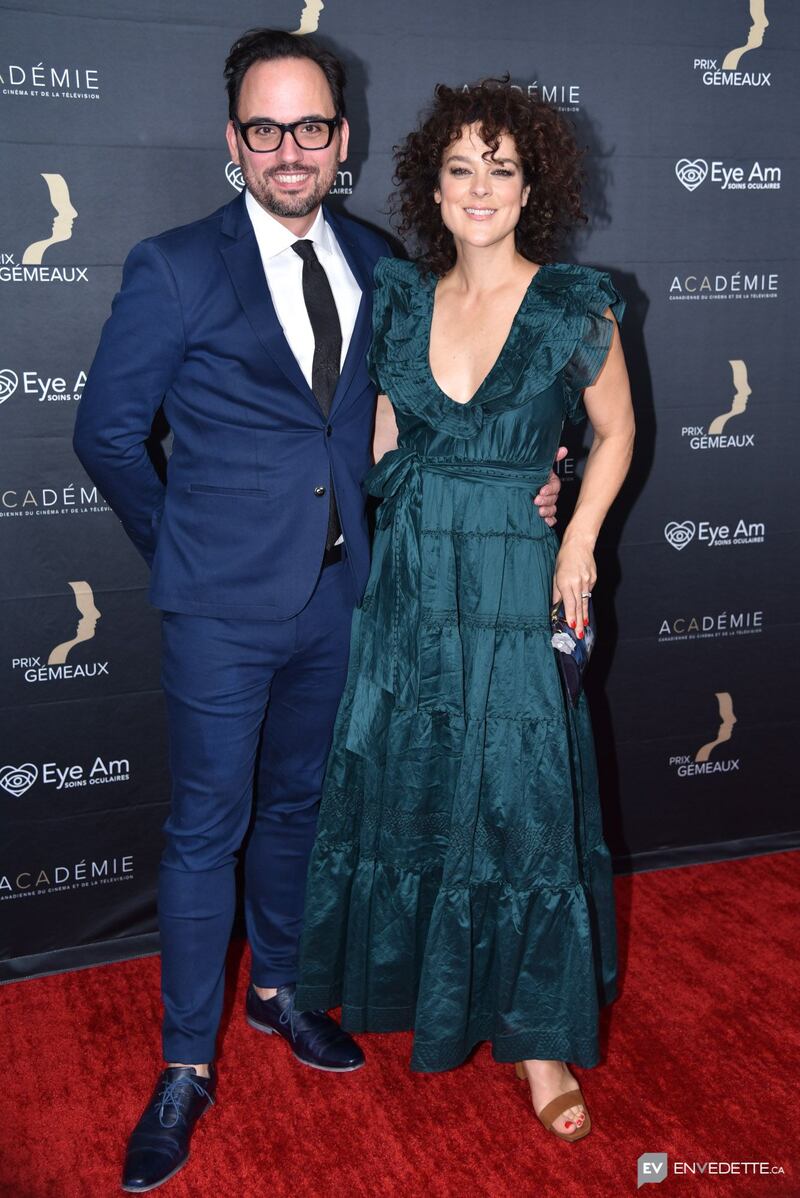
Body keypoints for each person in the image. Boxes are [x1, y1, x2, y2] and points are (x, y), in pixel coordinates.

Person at [73, 34, 562, 1192]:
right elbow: (106, 434)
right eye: (264, 128)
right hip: (219, 610)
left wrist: (522, 481)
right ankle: (184, 1062)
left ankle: (279, 987)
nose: (287, 150)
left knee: (299, 805)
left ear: (340, 139)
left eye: (308, 127)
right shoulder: (174, 265)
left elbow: (410, 422)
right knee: (206, 829)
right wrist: (183, 551)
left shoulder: (377, 260)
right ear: (232, 140)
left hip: (344, 600)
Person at [296, 79, 635, 1143]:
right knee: (419, 778)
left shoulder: (573, 305)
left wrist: (575, 537)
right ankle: (417, 985)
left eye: (501, 169)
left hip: (514, 575)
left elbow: (615, 431)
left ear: (530, 188)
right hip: (411, 578)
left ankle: (539, 1043)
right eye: (460, 169)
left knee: (521, 798)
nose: (479, 188)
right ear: (432, 190)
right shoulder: (398, 299)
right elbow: (384, 436)